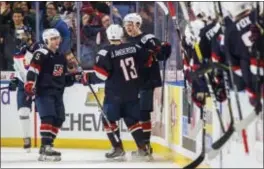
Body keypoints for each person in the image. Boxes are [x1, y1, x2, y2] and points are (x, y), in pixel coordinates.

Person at [81, 24, 154, 160]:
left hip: (114, 93)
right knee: (132, 120)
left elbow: (102, 75)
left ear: (108, 36)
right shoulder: (134, 47)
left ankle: (118, 148)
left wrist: (87, 77)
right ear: (121, 35)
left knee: (107, 119)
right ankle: (143, 150)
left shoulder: (105, 52)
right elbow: (148, 60)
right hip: (133, 91)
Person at [25, 28, 77, 161]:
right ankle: (46, 146)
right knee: (48, 117)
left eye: (57, 38)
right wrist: (30, 83)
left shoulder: (60, 56)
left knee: (59, 119)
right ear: (46, 40)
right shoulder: (41, 53)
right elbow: (33, 70)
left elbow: (63, 78)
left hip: (58, 93)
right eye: (52, 39)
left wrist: (75, 77)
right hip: (44, 91)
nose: (56, 41)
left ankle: (46, 145)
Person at [123, 13, 171, 154]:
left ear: (138, 24)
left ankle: (145, 146)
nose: (128, 27)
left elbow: (161, 55)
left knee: (143, 113)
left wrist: (164, 48)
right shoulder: (128, 41)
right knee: (134, 113)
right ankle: (142, 146)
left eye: (131, 24)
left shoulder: (147, 39)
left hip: (146, 81)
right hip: (134, 82)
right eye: (126, 24)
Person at [8, 41, 44, 152]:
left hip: (40, 85)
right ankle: (26, 138)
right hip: (24, 85)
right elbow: (18, 70)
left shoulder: (41, 50)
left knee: (45, 114)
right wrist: (15, 79)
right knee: (23, 112)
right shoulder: (17, 54)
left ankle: (46, 141)